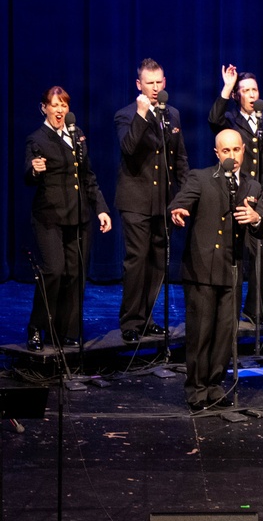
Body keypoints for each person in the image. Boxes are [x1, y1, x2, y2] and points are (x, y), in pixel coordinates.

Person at [169, 129, 263, 411]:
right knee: (201, 332)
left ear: (244, 150)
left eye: (236, 150)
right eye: (226, 151)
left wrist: (256, 219)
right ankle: (197, 389)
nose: (232, 156)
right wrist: (178, 210)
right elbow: (181, 200)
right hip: (202, 269)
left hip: (232, 269)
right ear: (217, 154)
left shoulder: (253, 186)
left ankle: (214, 385)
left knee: (225, 332)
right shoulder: (201, 177)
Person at [25, 87, 112, 350]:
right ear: (44, 108)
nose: (60, 110)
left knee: (75, 274)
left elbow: (88, 177)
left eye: (64, 105)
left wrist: (101, 209)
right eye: (55, 105)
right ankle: (36, 327)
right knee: (54, 271)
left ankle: (67, 330)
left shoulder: (78, 136)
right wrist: (34, 169)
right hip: (49, 218)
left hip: (79, 217)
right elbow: (28, 174)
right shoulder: (37, 139)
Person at [115, 58, 189, 344]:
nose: (155, 88)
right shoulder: (125, 115)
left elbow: (179, 158)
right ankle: (130, 321)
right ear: (139, 85)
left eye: (159, 82)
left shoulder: (172, 115)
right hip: (135, 201)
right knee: (137, 260)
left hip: (163, 202)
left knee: (158, 261)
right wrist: (142, 116)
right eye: (150, 83)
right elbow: (128, 148)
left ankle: (146, 318)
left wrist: (183, 196)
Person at [210, 65, 263, 325]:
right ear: (237, 96)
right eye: (245, 91)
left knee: (260, 252)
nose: (251, 95)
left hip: (260, 194)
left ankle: (255, 309)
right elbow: (213, 120)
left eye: (254, 90)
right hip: (235, 191)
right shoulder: (230, 119)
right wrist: (227, 86)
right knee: (235, 254)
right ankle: (229, 309)